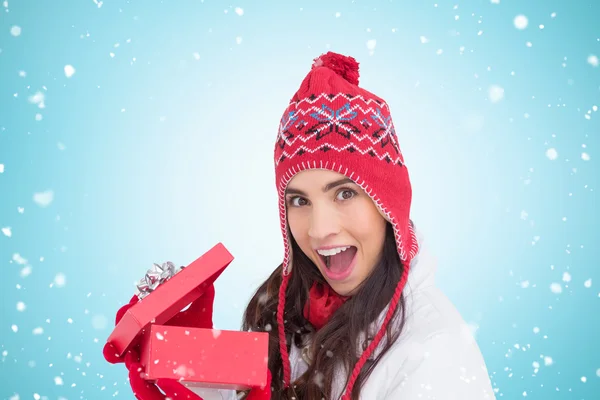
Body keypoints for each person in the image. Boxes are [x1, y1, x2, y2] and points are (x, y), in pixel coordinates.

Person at [103, 52, 497, 400]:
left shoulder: (432, 352)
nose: (319, 229)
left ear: (386, 203)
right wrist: (187, 365)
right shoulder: (291, 308)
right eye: (300, 200)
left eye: (344, 193)